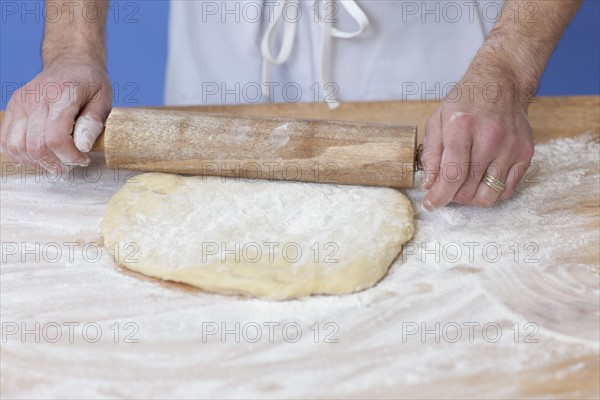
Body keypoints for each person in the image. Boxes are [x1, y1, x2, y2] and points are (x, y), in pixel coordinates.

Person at [0, 0, 584, 211]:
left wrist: (504, 72)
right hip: (226, 41)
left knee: (448, 194)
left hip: (430, 54)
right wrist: (72, 48)